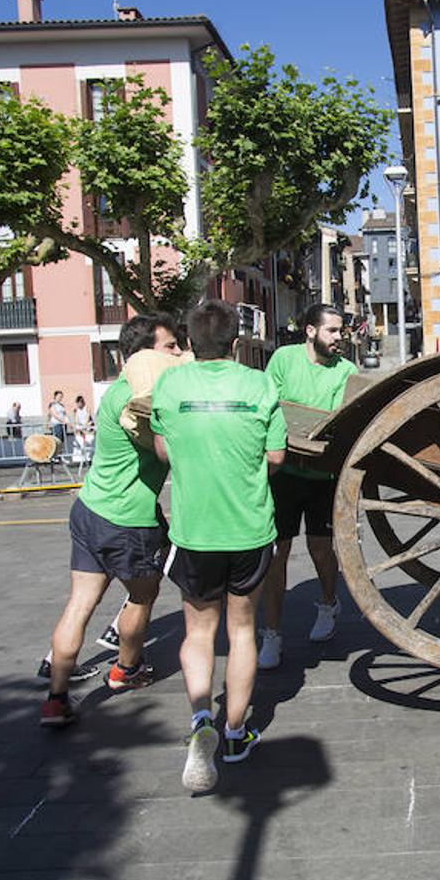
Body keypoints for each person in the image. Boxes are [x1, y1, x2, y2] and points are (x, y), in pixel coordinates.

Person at [152, 300, 286, 791]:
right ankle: (234, 732)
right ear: (236, 344)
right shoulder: (259, 385)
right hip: (249, 528)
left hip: (195, 531)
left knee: (199, 633)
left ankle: (198, 721)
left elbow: (163, 449)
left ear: (188, 343)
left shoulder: (171, 385)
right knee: (243, 630)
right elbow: (275, 456)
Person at [39, 313, 182, 728]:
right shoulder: (136, 402)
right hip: (130, 522)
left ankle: (55, 699)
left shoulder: (116, 391)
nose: (177, 353)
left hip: (90, 511)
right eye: (170, 347)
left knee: (80, 604)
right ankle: (126, 670)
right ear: (144, 356)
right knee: (142, 596)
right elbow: (166, 450)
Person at [257, 303, 358, 669]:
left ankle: (329, 603)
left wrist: (297, 423)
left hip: (322, 475)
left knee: (320, 549)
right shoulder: (284, 359)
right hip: (283, 474)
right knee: (276, 554)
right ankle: (271, 634)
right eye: (332, 330)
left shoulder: (347, 370)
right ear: (311, 331)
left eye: (341, 330)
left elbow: (332, 421)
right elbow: (271, 406)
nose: (339, 337)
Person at [71, 395, 94, 465]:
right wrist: (77, 426)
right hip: (80, 428)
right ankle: (80, 460)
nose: (78, 405)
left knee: (89, 442)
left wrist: (84, 426)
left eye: (79, 403)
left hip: (88, 427)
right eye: (77, 403)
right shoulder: (76, 410)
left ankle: (89, 458)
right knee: (80, 443)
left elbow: (88, 418)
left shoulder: (87, 408)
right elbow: (76, 419)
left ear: (82, 402)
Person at [48, 390, 70, 457]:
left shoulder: (61, 405)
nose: (61, 398)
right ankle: (55, 456)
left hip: (63, 425)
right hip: (57, 424)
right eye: (59, 396)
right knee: (57, 441)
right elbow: (54, 414)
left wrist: (68, 422)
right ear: (55, 396)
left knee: (62, 441)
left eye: (61, 396)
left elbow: (64, 414)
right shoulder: (52, 405)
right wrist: (62, 420)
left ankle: (61, 456)